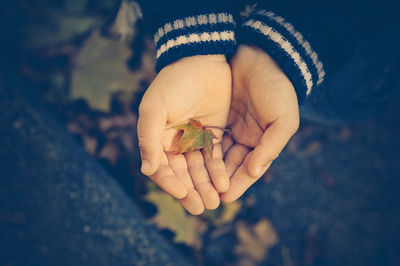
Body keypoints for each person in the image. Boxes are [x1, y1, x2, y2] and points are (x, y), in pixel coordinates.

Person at [136, 0, 399, 214]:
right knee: (317, 102)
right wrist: (191, 37)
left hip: (345, 25)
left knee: (339, 95)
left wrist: (292, 40)